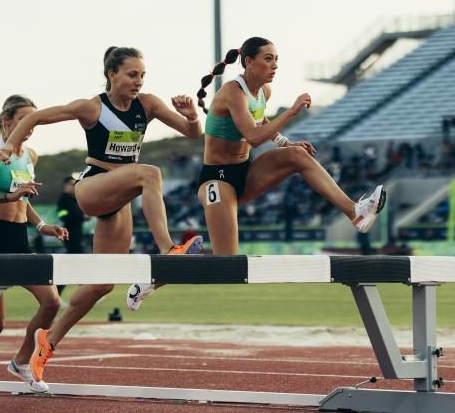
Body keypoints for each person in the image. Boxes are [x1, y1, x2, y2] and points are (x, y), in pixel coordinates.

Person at [0, 46, 204, 384]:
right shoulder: (92, 107)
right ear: (112, 75)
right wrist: (8, 146)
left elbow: (193, 134)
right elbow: (35, 117)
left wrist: (191, 115)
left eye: (142, 75)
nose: (138, 81)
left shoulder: (148, 105)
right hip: (92, 188)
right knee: (151, 173)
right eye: (132, 75)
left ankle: (42, 346)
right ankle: (167, 253)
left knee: (102, 283)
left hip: (120, 196)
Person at [126, 37, 385, 309]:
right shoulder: (231, 93)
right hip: (217, 179)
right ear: (249, 62)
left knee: (298, 155)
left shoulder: (264, 92)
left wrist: (287, 143)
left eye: (276, 60)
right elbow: (253, 136)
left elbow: (261, 121)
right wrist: (294, 111)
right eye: (268, 59)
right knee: (228, 263)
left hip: (245, 171)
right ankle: (156, 277)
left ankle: (355, 212)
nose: (274, 66)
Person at [0, 94, 68, 394]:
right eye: (24, 119)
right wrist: (5, 198)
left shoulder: (30, 156)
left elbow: (23, 197)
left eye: (34, 119)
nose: (30, 125)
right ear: (6, 121)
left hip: (19, 237)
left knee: (52, 302)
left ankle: (21, 360)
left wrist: (41, 224)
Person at [55, 174, 88, 294]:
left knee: (75, 264)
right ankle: (86, 291)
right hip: (70, 235)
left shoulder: (74, 200)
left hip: (76, 234)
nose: (74, 187)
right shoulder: (63, 200)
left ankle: (85, 291)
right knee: (75, 263)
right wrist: (80, 216)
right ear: (65, 186)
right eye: (72, 184)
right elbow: (63, 215)